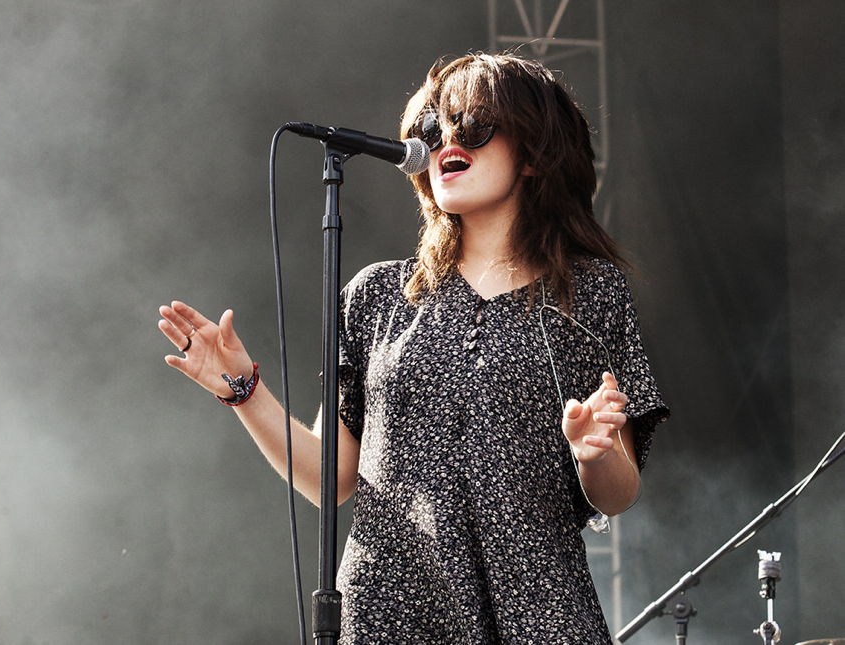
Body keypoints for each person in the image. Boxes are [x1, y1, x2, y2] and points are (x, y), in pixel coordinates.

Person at [159, 52, 669, 644]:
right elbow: (334, 476)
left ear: (532, 155)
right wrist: (243, 389)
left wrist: (592, 454)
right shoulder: (378, 295)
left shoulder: (589, 294)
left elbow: (619, 492)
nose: (446, 138)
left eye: (473, 125)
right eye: (432, 128)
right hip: (391, 607)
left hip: (537, 609)